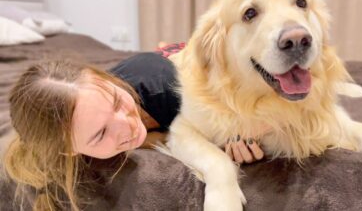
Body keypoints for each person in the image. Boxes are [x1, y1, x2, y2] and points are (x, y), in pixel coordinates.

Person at [3, 47, 264, 211]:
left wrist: (237, 136)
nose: (127, 126)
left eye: (117, 101)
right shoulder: (55, 146)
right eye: (100, 133)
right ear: (69, 151)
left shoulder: (168, 91)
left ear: (107, 80)